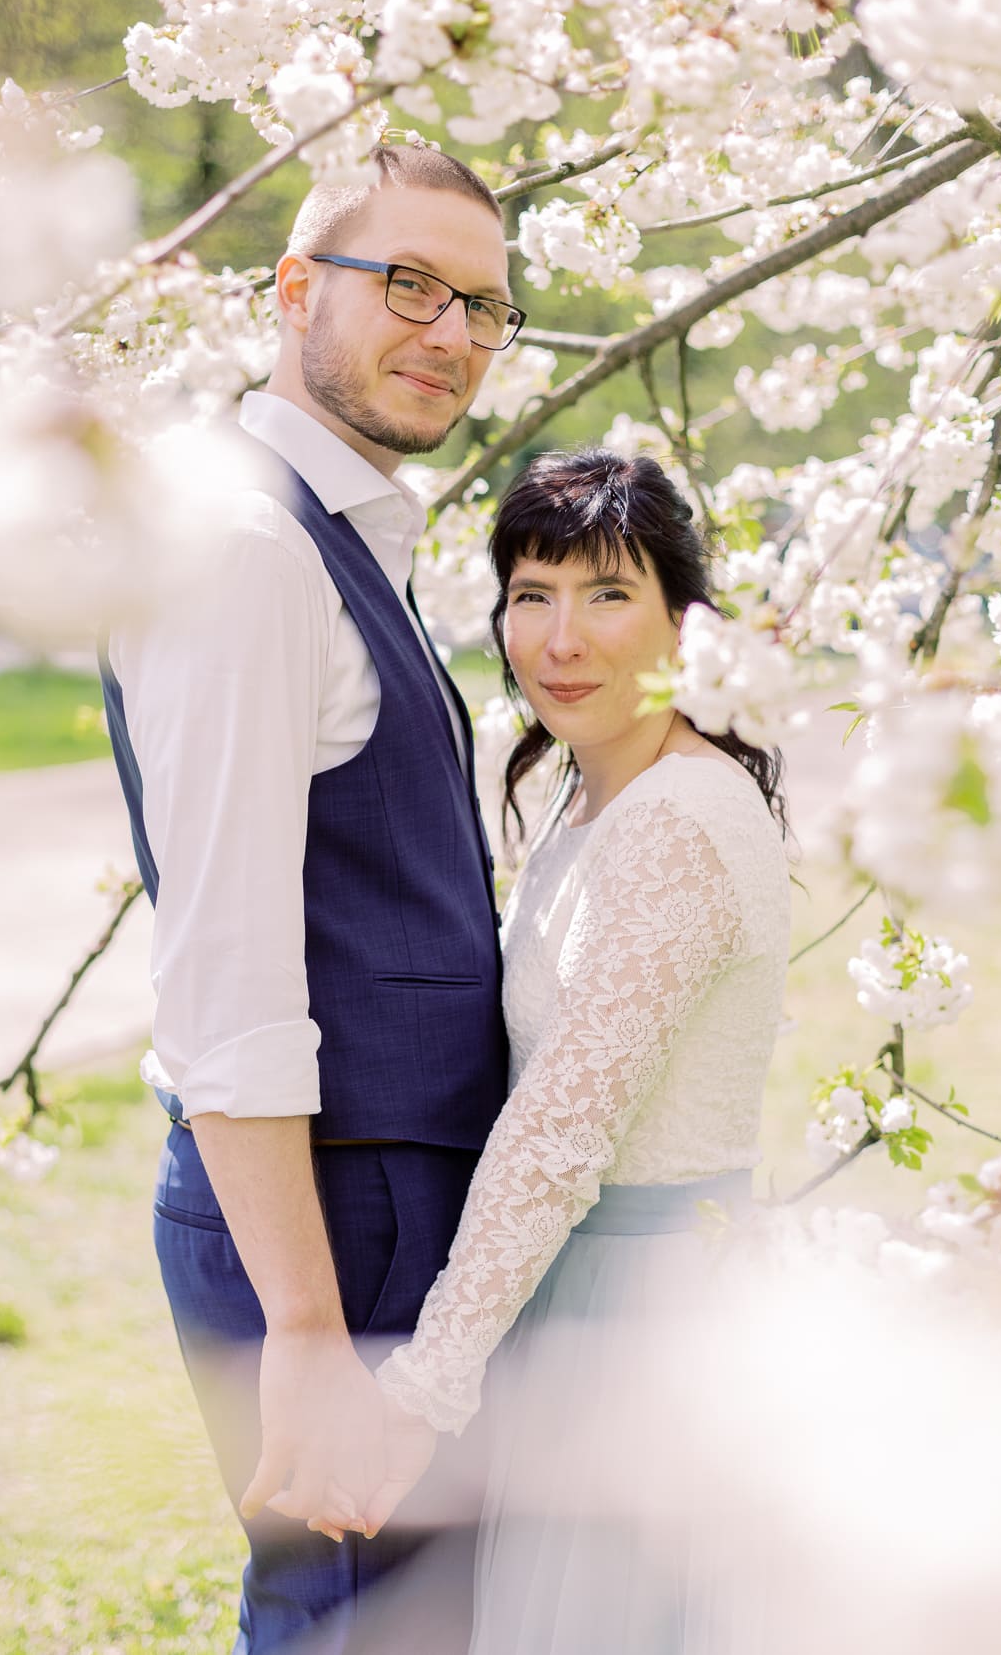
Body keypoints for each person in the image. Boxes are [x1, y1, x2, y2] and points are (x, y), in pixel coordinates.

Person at [98, 143, 522, 1653]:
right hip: (333, 1206)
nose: (452, 333)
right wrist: (303, 1329)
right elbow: (224, 966)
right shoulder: (244, 546)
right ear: (293, 290)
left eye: (483, 303)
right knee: (359, 1619)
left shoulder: (326, 530)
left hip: (379, 1188)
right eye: (407, 282)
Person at [301, 448, 792, 1651]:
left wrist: (421, 1389)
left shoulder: (682, 819)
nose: (561, 638)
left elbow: (564, 1125)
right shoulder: (592, 799)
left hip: (648, 1316)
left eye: (607, 594)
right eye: (533, 594)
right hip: (578, 1301)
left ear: (683, 619)